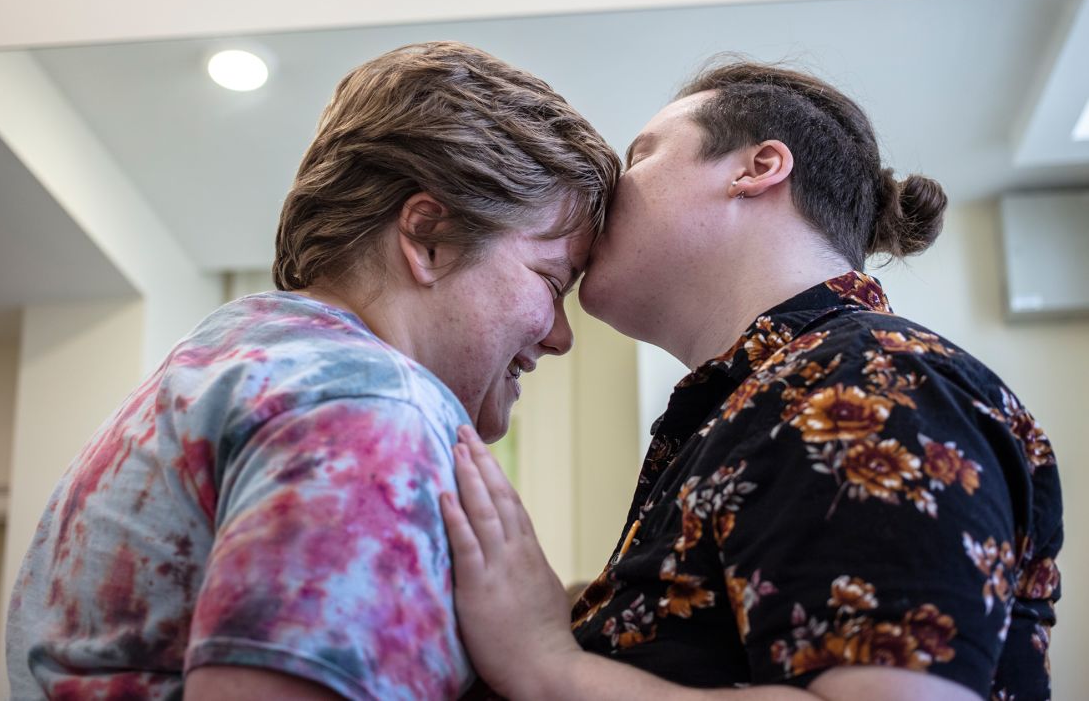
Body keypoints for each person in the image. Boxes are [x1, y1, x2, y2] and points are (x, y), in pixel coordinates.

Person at [5, 41, 619, 700]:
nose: (559, 337)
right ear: (429, 237)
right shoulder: (369, 407)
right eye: (552, 283)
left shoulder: (233, 359)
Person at [441, 61, 1063, 700]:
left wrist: (550, 664)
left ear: (757, 168)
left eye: (640, 155)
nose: (610, 191)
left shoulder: (870, 380)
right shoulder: (780, 397)